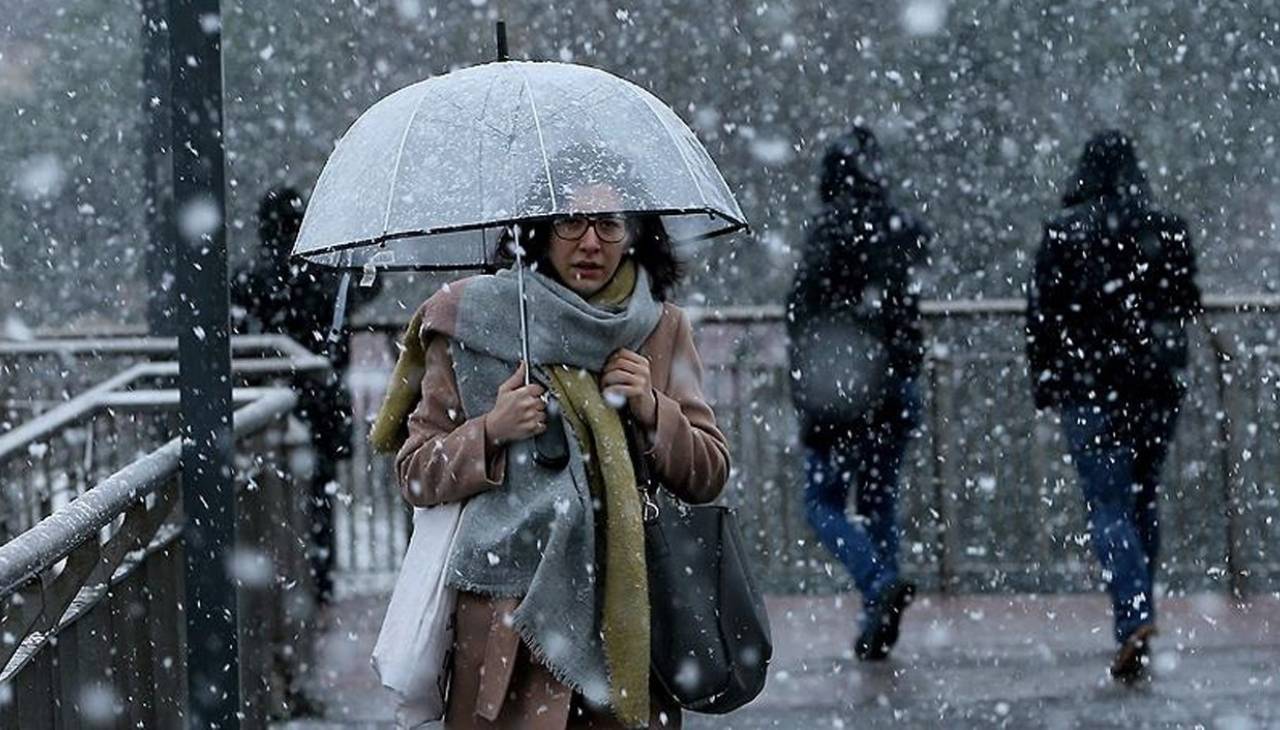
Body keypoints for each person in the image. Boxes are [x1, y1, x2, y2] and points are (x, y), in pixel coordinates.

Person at [371, 169, 730, 728]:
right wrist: (491, 430)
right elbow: (415, 473)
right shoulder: (471, 320)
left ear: (635, 233)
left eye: (609, 223)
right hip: (505, 628)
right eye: (570, 222)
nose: (590, 242)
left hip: (624, 616)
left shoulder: (660, 328)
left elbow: (709, 473)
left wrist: (651, 407)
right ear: (538, 229)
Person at [1026, 130, 1201, 682]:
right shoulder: (1166, 229)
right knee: (1143, 496)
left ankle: (1133, 615)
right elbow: (1185, 302)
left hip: (1091, 387)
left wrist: (1046, 379)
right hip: (1154, 386)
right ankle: (1140, 606)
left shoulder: (1064, 232)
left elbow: (1043, 314)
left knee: (1107, 505)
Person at [787, 125, 930, 661]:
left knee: (822, 501)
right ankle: (876, 616)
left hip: (840, 387)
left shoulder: (828, 231)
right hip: (893, 385)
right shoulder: (898, 229)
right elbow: (906, 314)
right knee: (878, 501)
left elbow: (801, 312)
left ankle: (876, 583)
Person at [231, 185, 381, 605]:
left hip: (266, 410)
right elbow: (369, 288)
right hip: (321, 401)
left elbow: (239, 329)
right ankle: (318, 579)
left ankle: (274, 589)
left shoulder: (250, 277)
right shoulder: (326, 275)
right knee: (319, 498)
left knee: (265, 500)